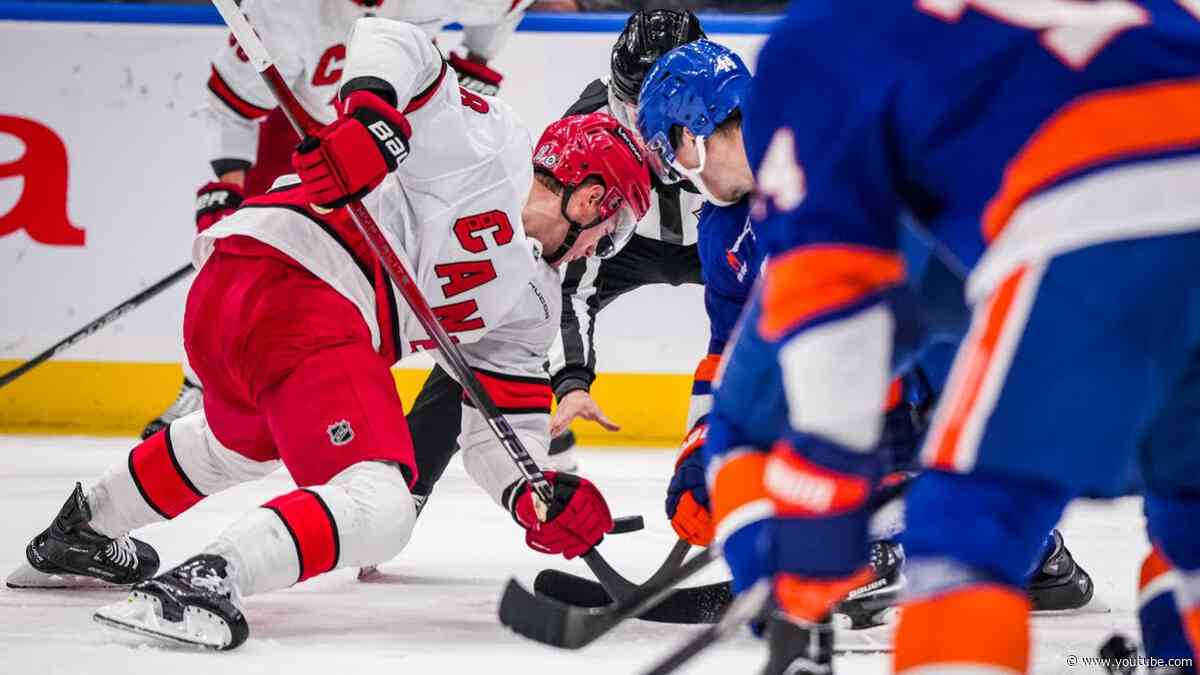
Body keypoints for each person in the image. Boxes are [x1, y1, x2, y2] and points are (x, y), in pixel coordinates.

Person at [9, 17, 652, 651]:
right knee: (382, 503)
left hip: (244, 303)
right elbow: (391, 35)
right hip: (301, 287)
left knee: (243, 442)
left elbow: (501, 433)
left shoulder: (531, 303)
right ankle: (206, 579)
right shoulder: (491, 141)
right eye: (613, 229)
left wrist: (534, 495)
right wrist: (373, 119)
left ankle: (82, 527)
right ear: (593, 198)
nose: (603, 247)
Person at [718, 1, 1200, 672]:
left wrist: (826, 480)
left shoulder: (819, 36)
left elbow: (831, 290)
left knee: (966, 534)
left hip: (1093, 195)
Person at [141, 0, 534, 440]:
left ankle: (523, 395)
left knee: (450, 259)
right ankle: (199, 387)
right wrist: (229, 189)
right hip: (315, 143)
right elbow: (231, 108)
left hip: (400, 141)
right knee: (238, 271)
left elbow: (503, 8)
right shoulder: (286, 11)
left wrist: (474, 62)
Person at [399, 9, 709, 514]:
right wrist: (570, 383)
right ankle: (404, 484)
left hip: (716, 234)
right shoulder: (590, 131)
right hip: (608, 233)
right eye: (635, 101)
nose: (650, 120)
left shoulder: (742, 115)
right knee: (498, 319)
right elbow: (568, 290)